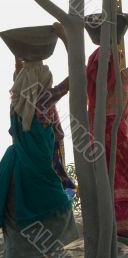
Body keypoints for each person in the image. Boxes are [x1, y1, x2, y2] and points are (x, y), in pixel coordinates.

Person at [0, 23, 78, 257]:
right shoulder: (45, 100)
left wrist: (19, 53)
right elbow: (78, 72)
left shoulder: (17, 98)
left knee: (16, 221)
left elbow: (19, 73)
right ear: (43, 80)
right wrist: (65, 38)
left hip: (13, 168)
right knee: (60, 208)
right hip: (38, 172)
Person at [86, 16, 128, 247]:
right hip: (112, 133)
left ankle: (115, 227)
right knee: (126, 178)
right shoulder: (118, 78)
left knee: (109, 180)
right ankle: (119, 228)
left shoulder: (115, 78)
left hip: (101, 131)